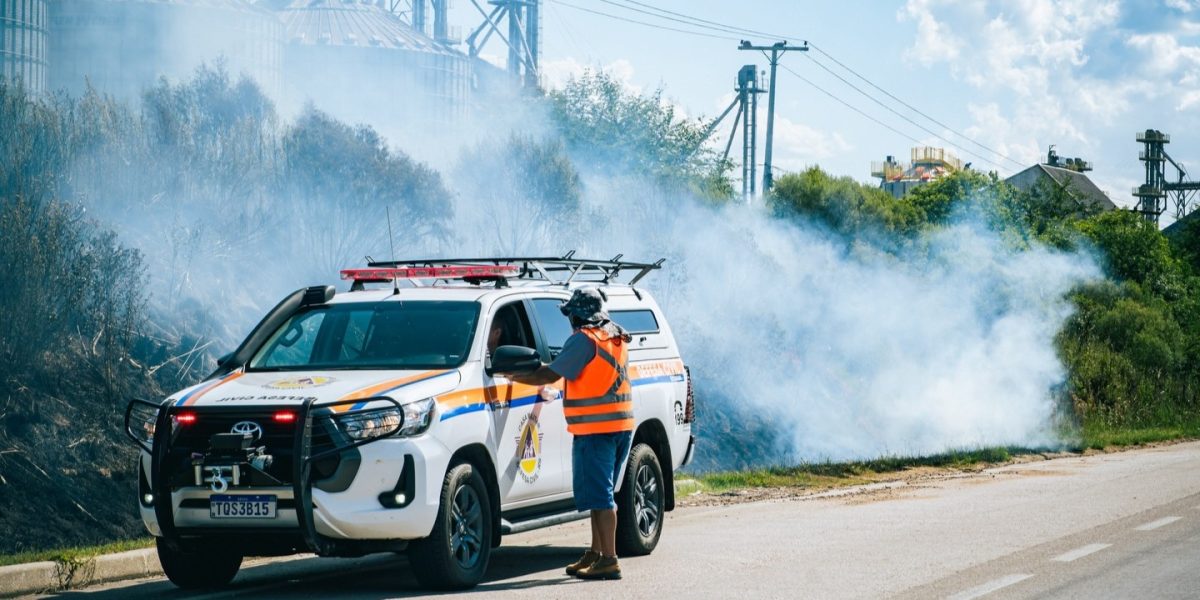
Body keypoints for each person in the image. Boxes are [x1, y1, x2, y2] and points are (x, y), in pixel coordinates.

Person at [504, 288, 633, 581]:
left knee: (600, 498)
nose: (570, 321)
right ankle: (596, 552)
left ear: (579, 315)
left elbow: (547, 375)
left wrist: (512, 376)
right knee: (599, 494)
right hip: (619, 425)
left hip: (595, 430)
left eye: (571, 314)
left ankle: (609, 559)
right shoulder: (615, 335)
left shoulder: (583, 340)